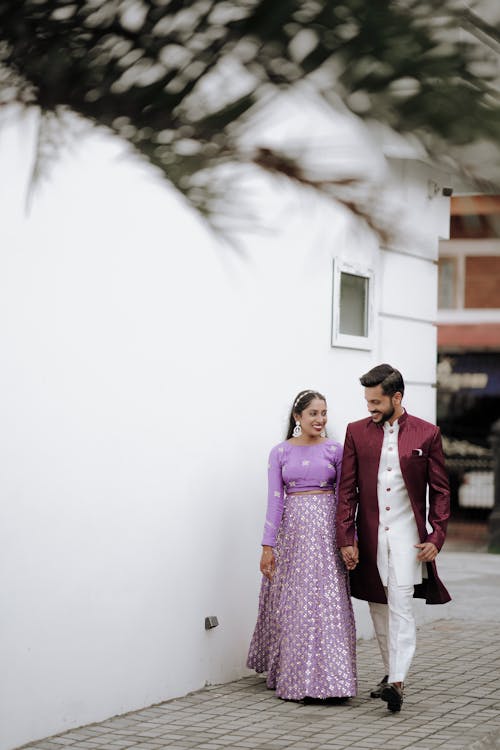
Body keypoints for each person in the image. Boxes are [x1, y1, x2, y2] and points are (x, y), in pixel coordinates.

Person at [336, 364, 451, 713]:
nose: (369, 407)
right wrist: (346, 537)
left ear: (396, 397)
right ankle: (390, 674)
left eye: (376, 401)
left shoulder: (427, 434)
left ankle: (398, 681)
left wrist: (437, 534)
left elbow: (441, 491)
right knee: (378, 607)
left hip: (408, 540)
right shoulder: (355, 432)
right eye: (367, 400)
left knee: (400, 607)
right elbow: (347, 492)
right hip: (371, 539)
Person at [247, 389, 357, 702]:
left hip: (326, 535)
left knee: (327, 602)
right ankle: (295, 677)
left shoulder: (335, 450)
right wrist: (268, 546)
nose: (320, 419)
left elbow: (346, 499)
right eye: (313, 414)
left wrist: (350, 540)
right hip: (292, 537)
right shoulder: (280, 452)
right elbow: (275, 501)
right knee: (295, 602)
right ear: (298, 417)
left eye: (324, 413)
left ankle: (334, 681)